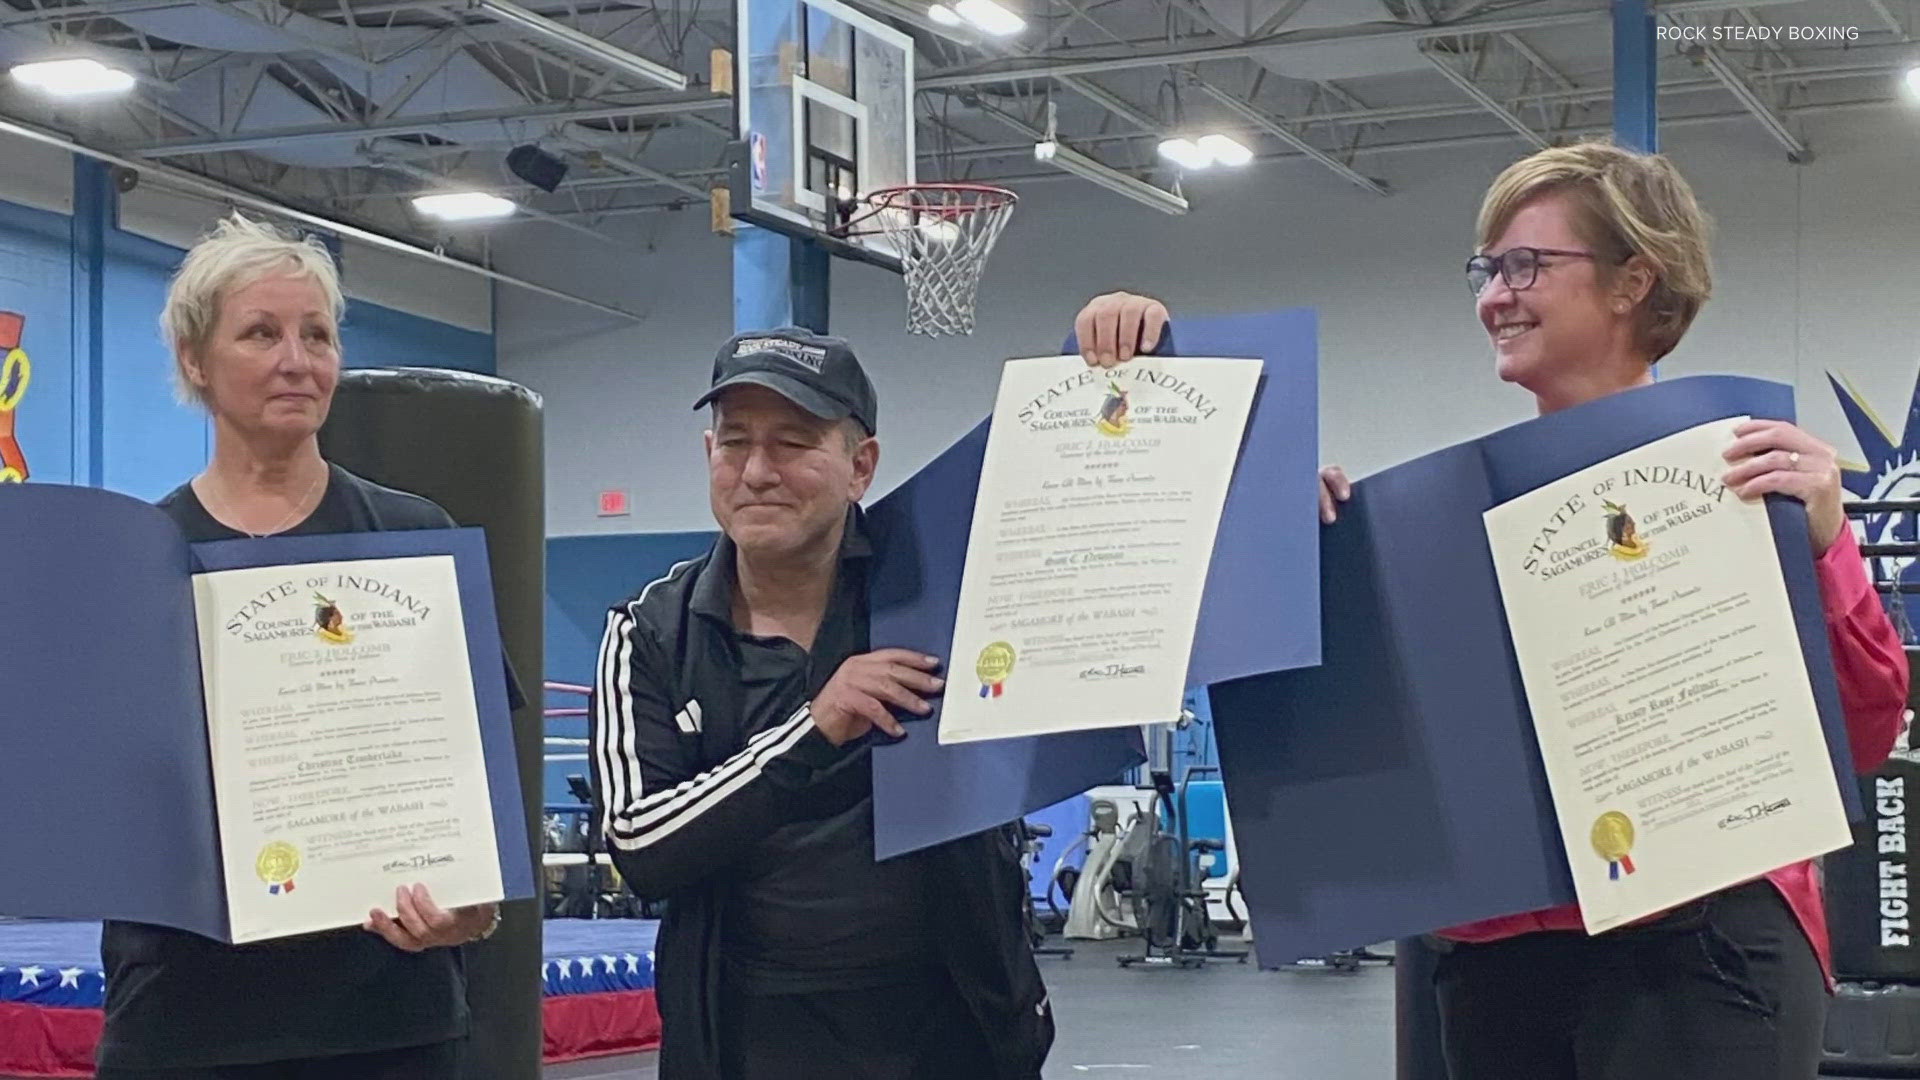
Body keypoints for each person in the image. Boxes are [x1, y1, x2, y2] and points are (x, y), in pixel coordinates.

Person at [1071, 140, 1909, 1080]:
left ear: (1635, 279)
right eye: (1486, 269)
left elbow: (1867, 734)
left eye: (1527, 266)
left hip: (1701, 945)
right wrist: (1299, 544)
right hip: (1498, 952)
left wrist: (1828, 538)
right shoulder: (1430, 528)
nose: (1494, 296)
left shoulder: (1743, 480)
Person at [96, 213, 504, 1080]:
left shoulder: (414, 539)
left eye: (317, 335)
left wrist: (474, 905)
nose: (297, 360)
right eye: (261, 333)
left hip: (385, 1021)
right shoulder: (129, 565)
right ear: (194, 362)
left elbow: (473, 783)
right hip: (183, 1023)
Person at [588, 328, 1052, 1080]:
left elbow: (1124, 570)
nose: (758, 471)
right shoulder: (649, 630)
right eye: (734, 443)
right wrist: (815, 728)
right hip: (747, 1036)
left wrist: (1287, 511)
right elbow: (641, 846)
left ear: (860, 465)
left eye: (795, 443)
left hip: (954, 1027)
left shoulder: (945, 590)